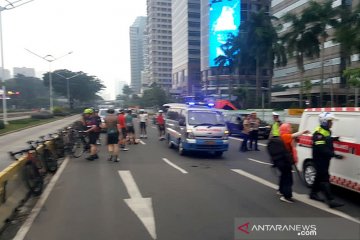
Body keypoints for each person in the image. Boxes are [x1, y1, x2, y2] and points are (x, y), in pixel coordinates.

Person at [309, 112, 344, 208]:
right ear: (324, 122)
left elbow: (327, 139)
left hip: (325, 159)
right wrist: (334, 155)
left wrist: (334, 139)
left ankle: (313, 194)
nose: (331, 123)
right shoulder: (318, 133)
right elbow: (321, 148)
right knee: (325, 177)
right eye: (330, 121)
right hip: (319, 159)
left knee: (319, 176)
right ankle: (330, 200)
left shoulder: (327, 131)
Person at [276, 123, 309, 203]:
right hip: (285, 161)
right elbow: (293, 136)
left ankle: (280, 190)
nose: (290, 129)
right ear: (286, 129)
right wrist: (303, 132)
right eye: (289, 128)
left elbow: (293, 141)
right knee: (288, 179)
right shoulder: (285, 136)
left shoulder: (281, 137)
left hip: (282, 161)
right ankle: (286, 196)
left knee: (284, 176)